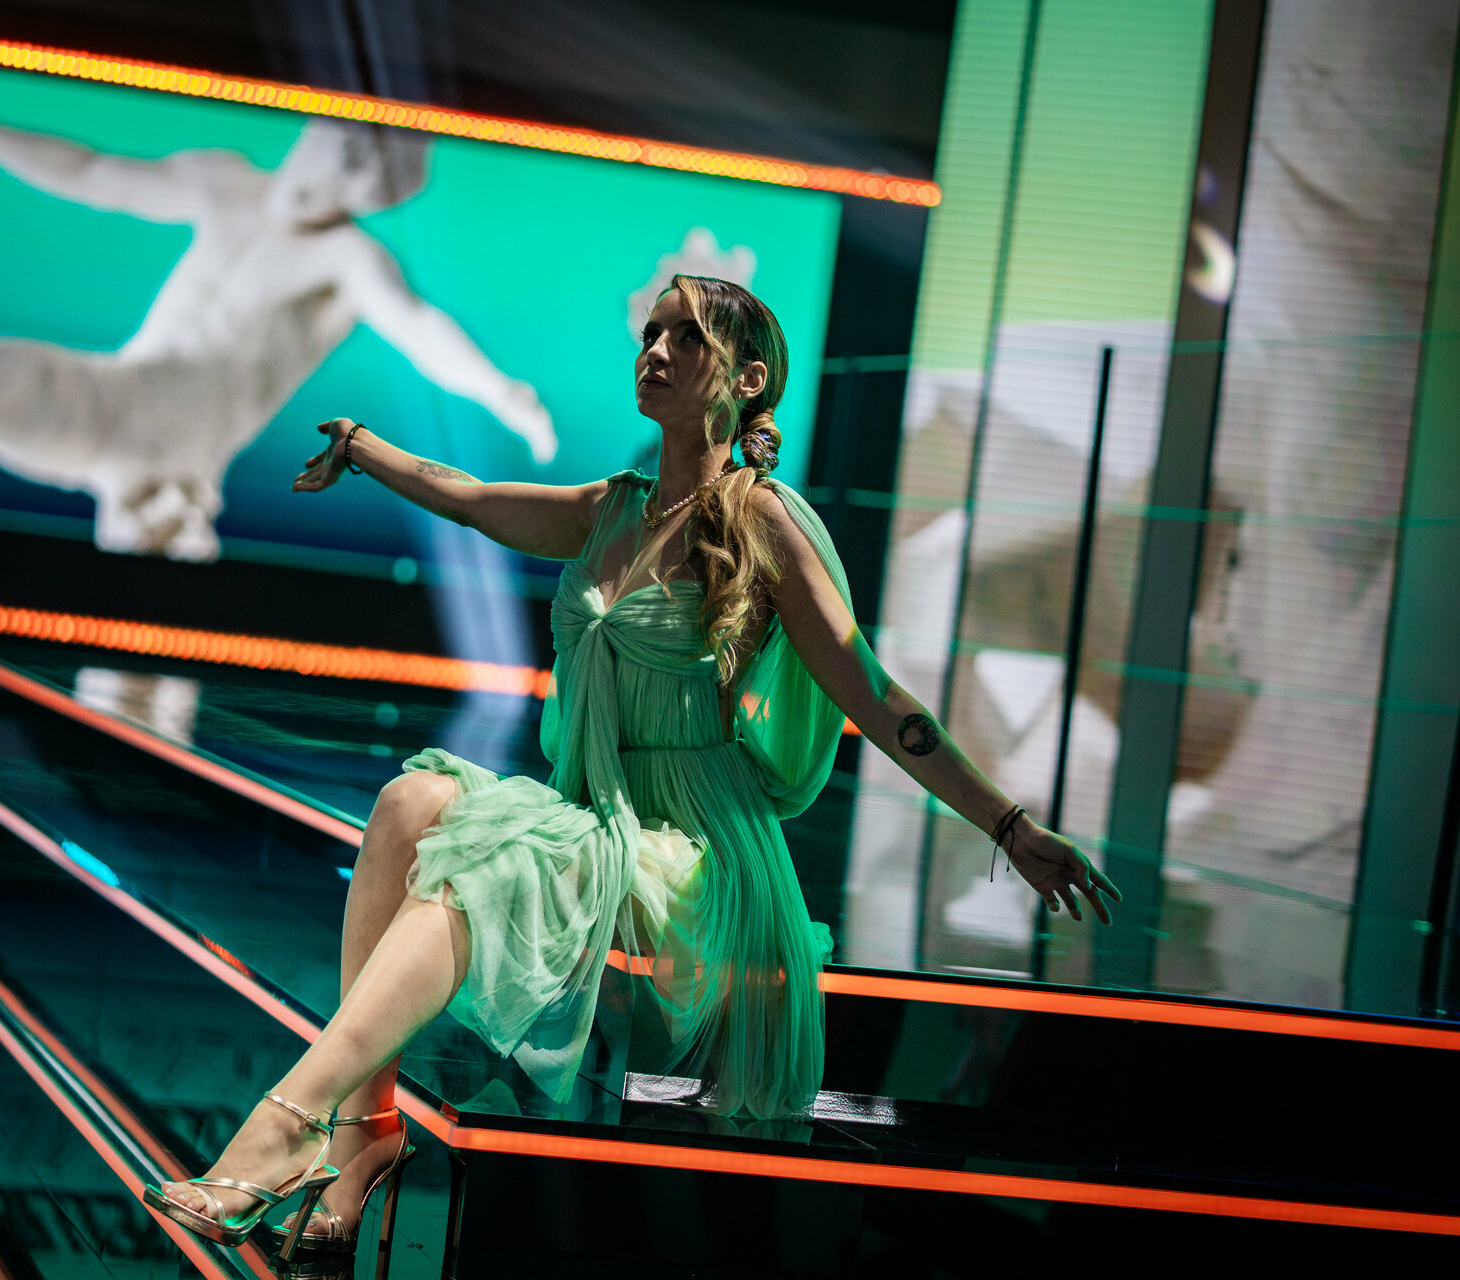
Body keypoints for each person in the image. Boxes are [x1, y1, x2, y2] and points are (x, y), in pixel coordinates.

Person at [144, 275, 1119, 1259]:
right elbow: (469, 498)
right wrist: (360, 446)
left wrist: (1007, 825)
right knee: (407, 802)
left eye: (685, 337)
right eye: (651, 332)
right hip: (595, 811)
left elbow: (874, 694)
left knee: (502, 861)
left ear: (746, 379)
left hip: (695, 848)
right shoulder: (612, 508)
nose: (654, 349)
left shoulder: (763, 522)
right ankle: (365, 1130)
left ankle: (283, 1125)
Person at [0, 55, 557, 563]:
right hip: (110, 397)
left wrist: (505, 395)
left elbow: (420, 331)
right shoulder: (223, 183)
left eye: (364, 188)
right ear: (320, 127)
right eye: (344, 156)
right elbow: (88, 173)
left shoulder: (345, 259)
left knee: (138, 688)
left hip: (174, 460)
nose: (332, 188)